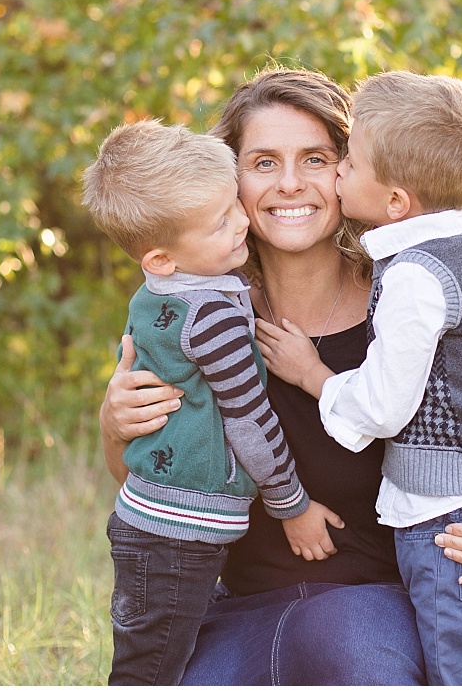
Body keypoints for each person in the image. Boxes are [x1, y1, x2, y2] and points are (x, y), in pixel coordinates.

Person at [98, 66, 462, 686]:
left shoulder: (410, 303)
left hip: (368, 609)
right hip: (238, 607)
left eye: (316, 159)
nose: (290, 183)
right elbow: (153, 473)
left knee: (346, 652)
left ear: (353, 174)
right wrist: (113, 425)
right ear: (229, 180)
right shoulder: (194, 315)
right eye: (263, 162)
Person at [256, 71, 462, 685]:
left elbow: (423, 412)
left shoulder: (414, 283)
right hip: (253, 603)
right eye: (263, 161)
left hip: (444, 528)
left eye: (337, 160)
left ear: (396, 199)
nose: (330, 175)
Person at [81, 120, 332, 685]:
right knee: (151, 676)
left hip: (153, 519)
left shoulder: (160, 293)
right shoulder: (214, 315)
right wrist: (292, 506)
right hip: (180, 533)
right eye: (222, 221)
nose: (243, 219)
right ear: (161, 258)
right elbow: (248, 420)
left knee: (152, 661)